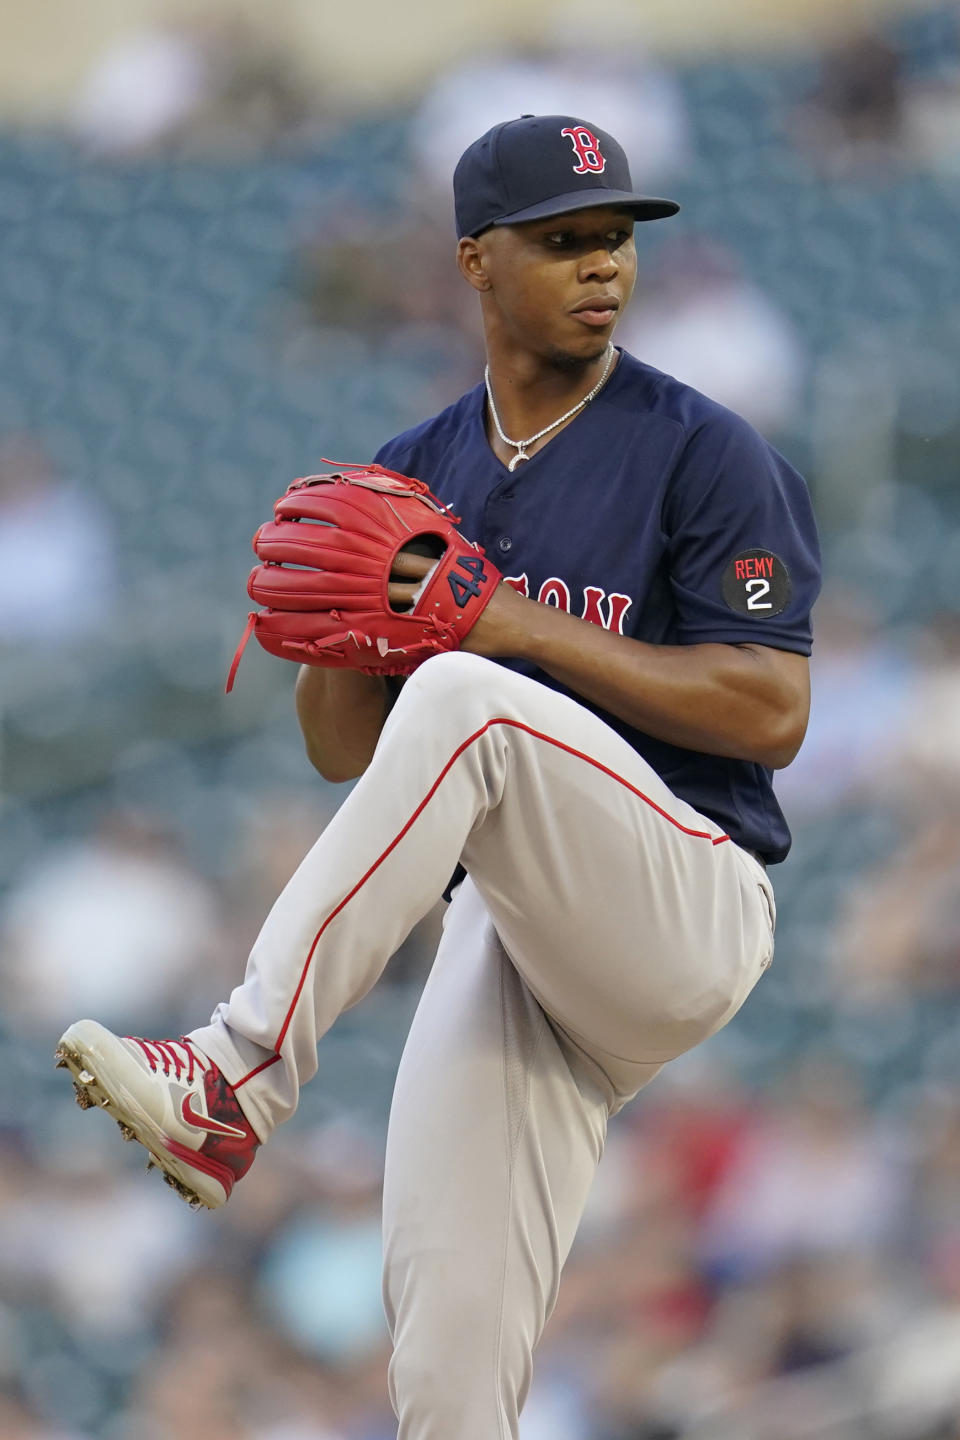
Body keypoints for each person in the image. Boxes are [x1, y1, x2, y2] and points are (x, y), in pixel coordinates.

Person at [57, 115, 821, 1440]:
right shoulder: (414, 471)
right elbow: (345, 753)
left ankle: (232, 1072)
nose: (604, 266)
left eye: (618, 238)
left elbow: (772, 709)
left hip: (688, 891)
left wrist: (509, 630)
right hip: (521, 937)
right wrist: (334, 646)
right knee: (446, 1364)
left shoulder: (704, 450)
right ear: (475, 261)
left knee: (476, 695)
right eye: (565, 239)